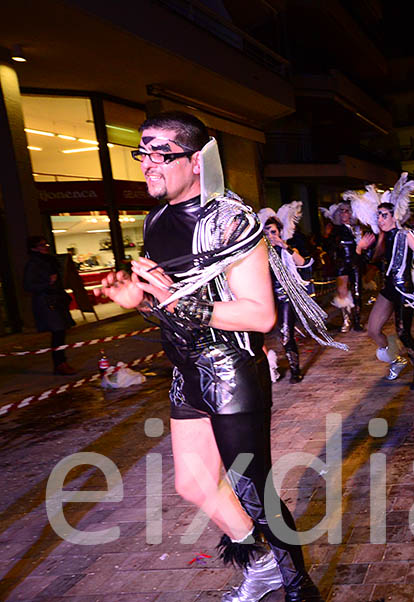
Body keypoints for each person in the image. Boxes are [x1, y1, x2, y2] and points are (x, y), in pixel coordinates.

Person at [97, 111, 342, 602]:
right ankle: (264, 564)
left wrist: (171, 300)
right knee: (193, 483)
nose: (147, 164)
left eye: (159, 153)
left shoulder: (231, 220)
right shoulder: (156, 219)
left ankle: (299, 589)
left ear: (195, 160)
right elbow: (168, 307)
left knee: (255, 491)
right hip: (185, 370)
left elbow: (260, 316)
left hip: (231, 371)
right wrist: (139, 301)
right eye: (141, 152)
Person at [349, 174, 414, 389]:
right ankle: (397, 360)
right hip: (388, 290)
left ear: (394, 216)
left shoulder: (406, 234)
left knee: (404, 333)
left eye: (384, 215)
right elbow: (365, 264)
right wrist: (360, 249)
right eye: (378, 216)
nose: (380, 220)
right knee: (373, 330)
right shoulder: (381, 240)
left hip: (404, 291)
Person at [260, 207, 312, 384]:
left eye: (273, 231)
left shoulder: (287, 250)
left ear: (280, 232)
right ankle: (268, 368)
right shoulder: (259, 253)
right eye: (266, 232)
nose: (270, 236)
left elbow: (303, 263)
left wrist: (285, 246)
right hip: (265, 297)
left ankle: (295, 369)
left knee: (285, 333)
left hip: (284, 296)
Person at [23, 235, 76, 375]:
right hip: (46, 302)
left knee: (61, 332)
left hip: (56, 300)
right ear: (33, 248)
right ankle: (60, 364)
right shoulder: (33, 263)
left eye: (46, 244)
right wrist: (48, 283)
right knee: (58, 331)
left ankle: (62, 362)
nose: (45, 247)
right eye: (41, 245)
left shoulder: (49, 261)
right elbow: (28, 285)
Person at [325, 201, 369, 332]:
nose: (344, 213)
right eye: (341, 210)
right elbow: (329, 248)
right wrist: (328, 237)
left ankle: (356, 321)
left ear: (351, 213)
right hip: (341, 263)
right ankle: (346, 320)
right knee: (342, 292)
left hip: (356, 262)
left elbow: (365, 247)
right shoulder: (334, 228)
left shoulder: (358, 228)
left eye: (347, 210)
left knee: (357, 292)